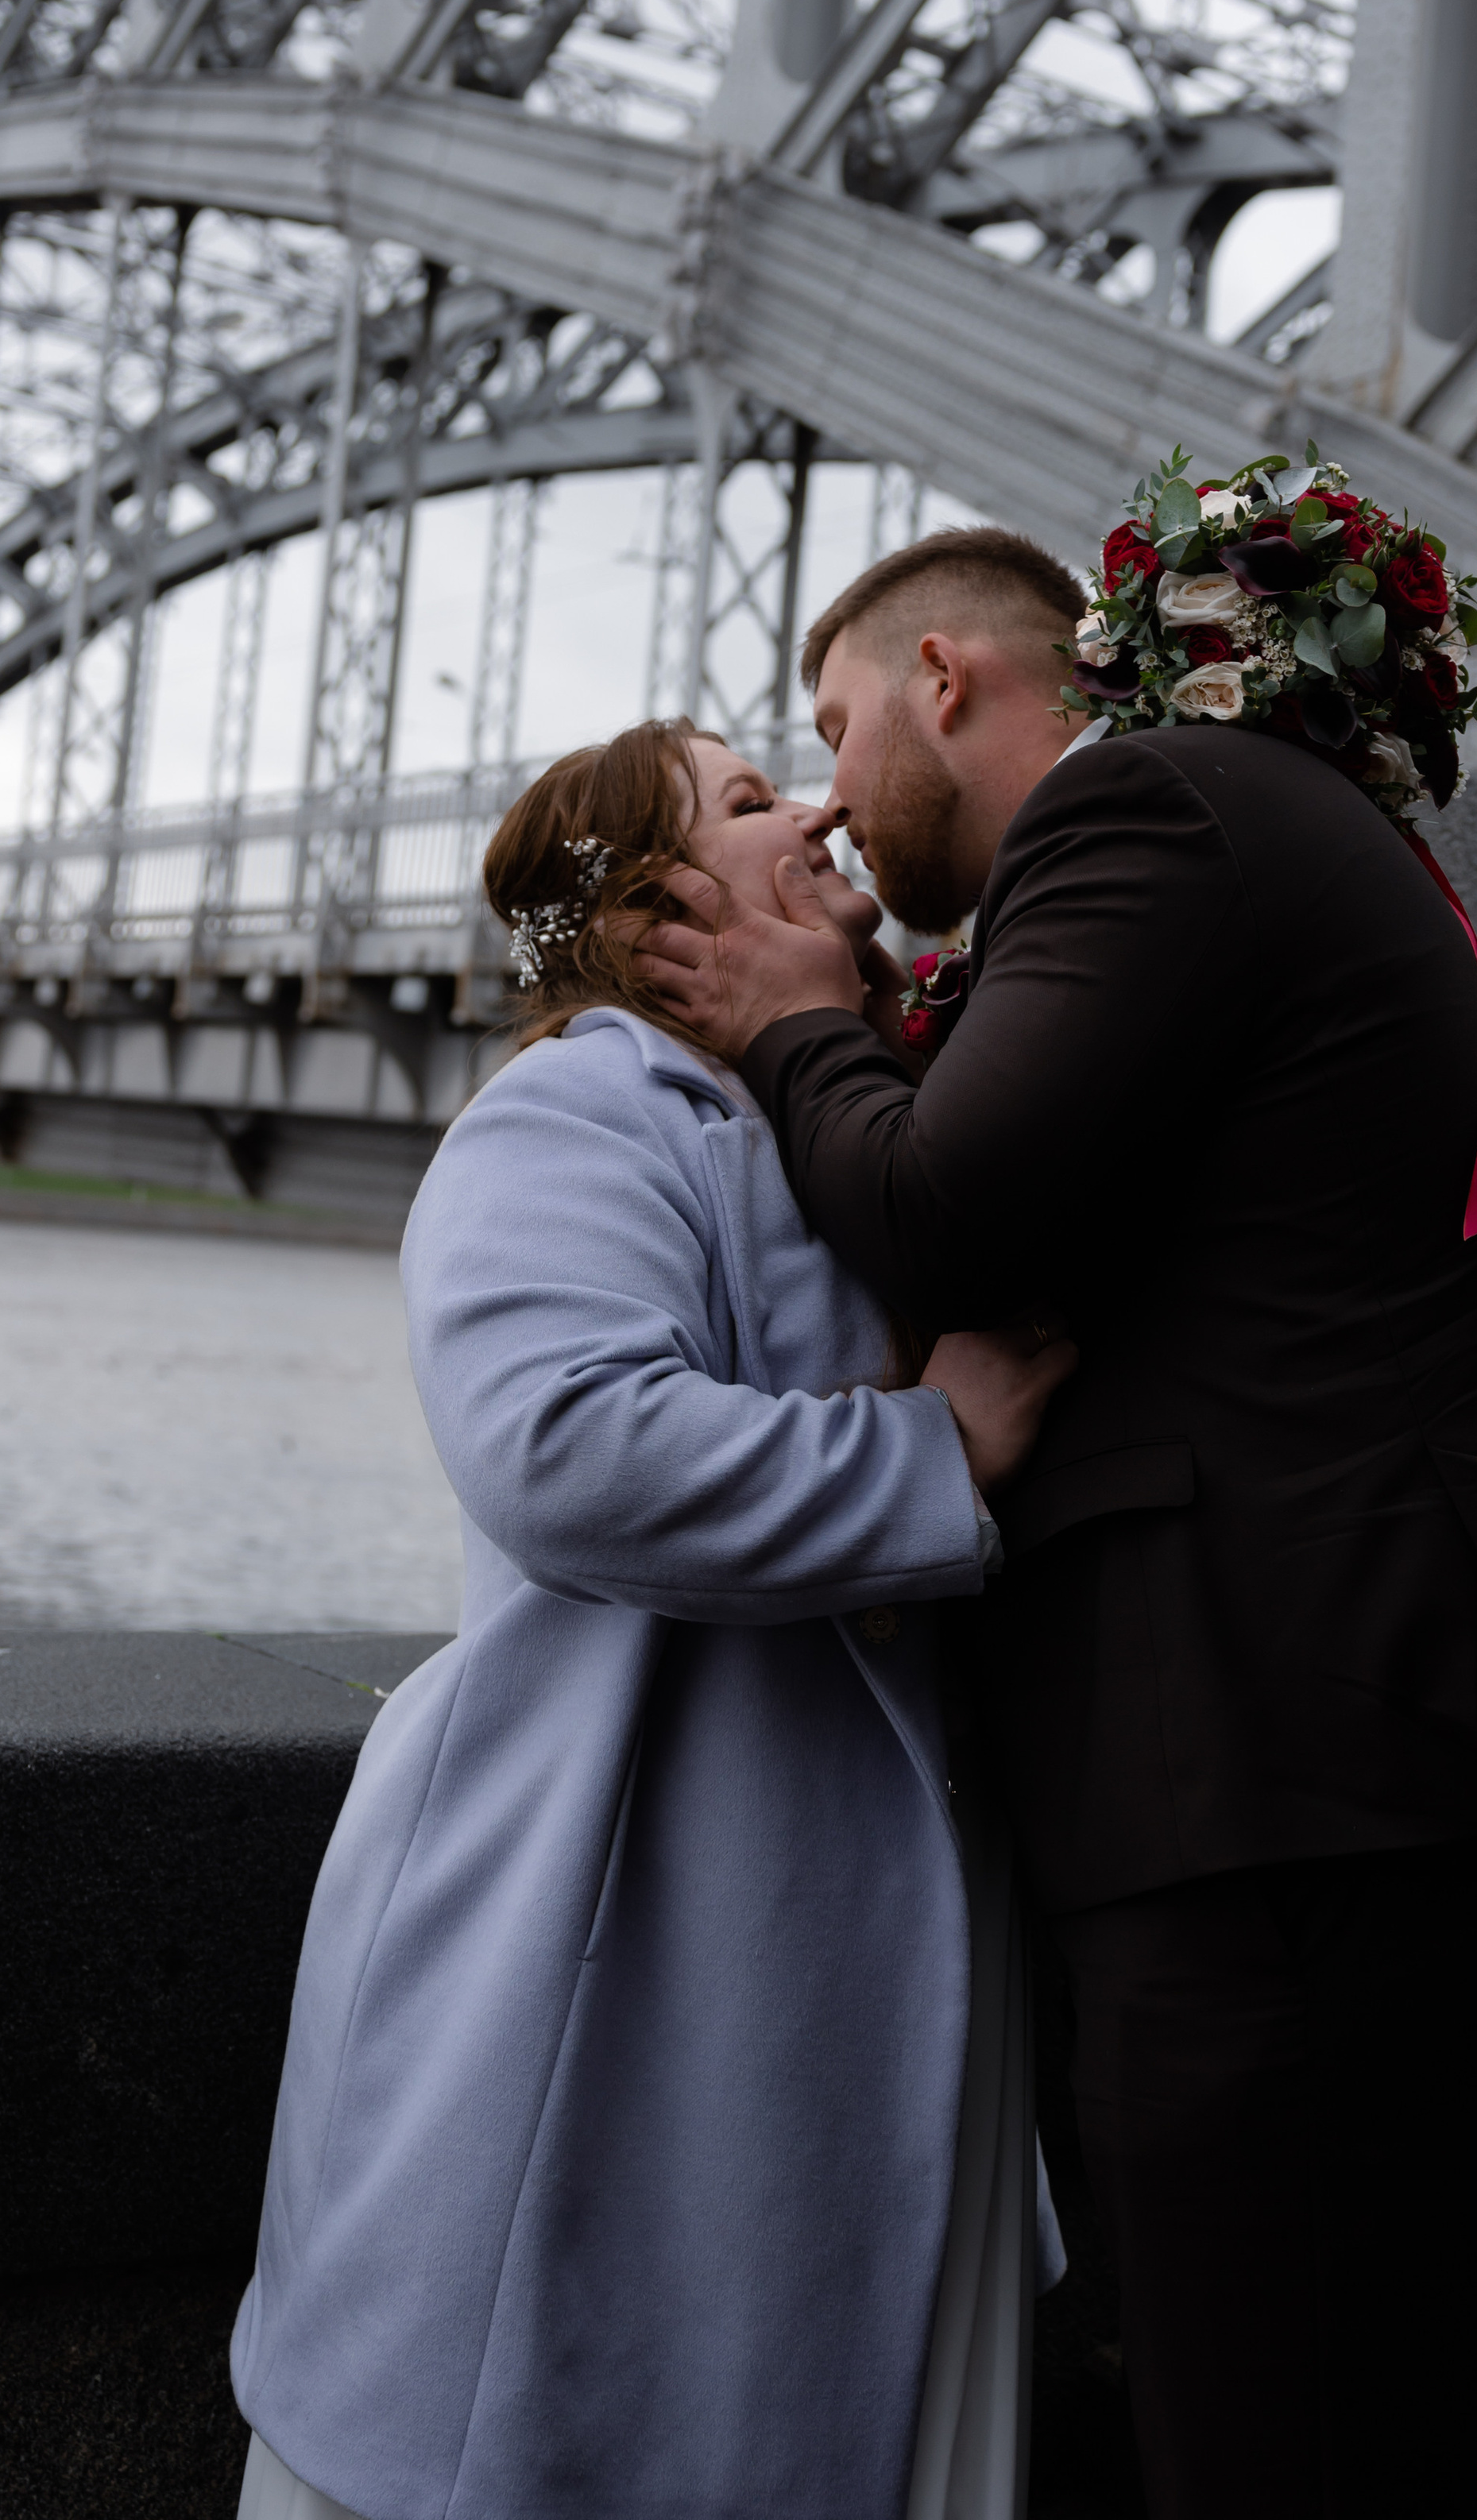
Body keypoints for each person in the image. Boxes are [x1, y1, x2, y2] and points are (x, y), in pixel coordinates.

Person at [638, 519, 1477, 2520]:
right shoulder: (1216, 834)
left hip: (1312, 1771)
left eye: (837, 735)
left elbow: (950, 1208)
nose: (836, 815)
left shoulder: (1144, 807)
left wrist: (790, 1023)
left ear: (944, 680)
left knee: (1261, 2432)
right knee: (1360, 2415)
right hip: (1379, 1759)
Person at [230, 715, 1074, 2520]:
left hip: (822, 1926)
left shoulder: (826, 1108)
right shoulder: (587, 1099)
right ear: (651, 908)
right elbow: (562, 1447)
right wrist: (936, 1452)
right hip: (623, 1908)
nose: (830, 805)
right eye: (758, 802)